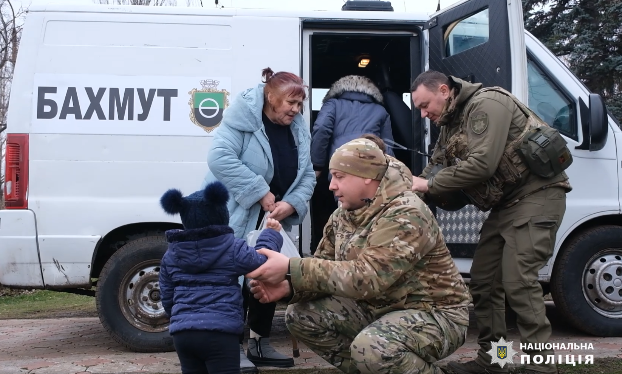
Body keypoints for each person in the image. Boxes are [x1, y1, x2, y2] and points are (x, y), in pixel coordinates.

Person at [247, 138, 472, 374]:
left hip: (435, 314)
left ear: (366, 176)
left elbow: (369, 278)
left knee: (374, 348)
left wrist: (291, 268)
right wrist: (290, 288)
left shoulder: (406, 212)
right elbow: (325, 269)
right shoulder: (343, 214)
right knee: (301, 315)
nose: (331, 186)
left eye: (339, 176)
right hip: (379, 308)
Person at [409, 70, 572, 374]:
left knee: (518, 282)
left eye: (424, 104)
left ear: (444, 91)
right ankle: (496, 359)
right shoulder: (449, 124)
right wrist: (408, 192)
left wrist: (428, 186)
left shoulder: (488, 103)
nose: (423, 113)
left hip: (538, 195)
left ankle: (542, 366)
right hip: (507, 204)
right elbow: (433, 169)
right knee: (484, 284)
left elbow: (483, 164)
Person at [202, 67, 316, 372]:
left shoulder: (298, 127)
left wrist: (291, 203)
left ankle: (259, 344)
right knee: (232, 280)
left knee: (268, 274)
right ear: (270, 97)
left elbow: (307, 174)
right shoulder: (244, 119)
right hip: (235, 215)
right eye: (290, 103)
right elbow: (219, 158)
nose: (296, 110)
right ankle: (231, 348)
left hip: (272, 218)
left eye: (299, 104)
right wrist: (260, 192)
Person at [158, 181, 284, 374]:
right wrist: (270, 234)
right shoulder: (232, 248)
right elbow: (261, 261)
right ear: (222, 214)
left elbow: (167, 297)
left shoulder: (171, 255)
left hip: (183, 335)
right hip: (221, 333)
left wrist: (181, 317)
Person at [310, 75, 395, 254]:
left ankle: (344, 261)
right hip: (373, 173)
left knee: (345, 216)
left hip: (343, 168)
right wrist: (391, 174)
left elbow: (321, 130)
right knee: (373, 216)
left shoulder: (332, 105)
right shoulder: (380, 110)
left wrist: (317, 164)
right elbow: (388, 145)